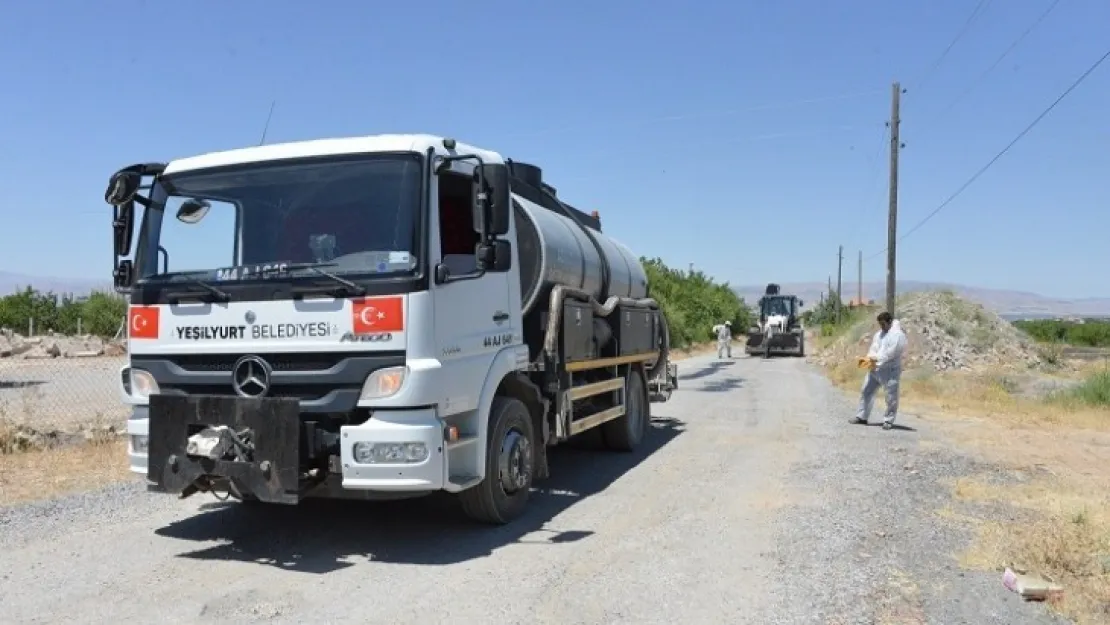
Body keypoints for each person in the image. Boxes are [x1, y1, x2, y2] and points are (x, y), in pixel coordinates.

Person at [852, 311, 907, 430]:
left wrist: (877, 358)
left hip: (889, 370)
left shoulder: (898, 335)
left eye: (883, 324)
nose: (882, 327)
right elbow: (874, 347)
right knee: (866, 391)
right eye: (880, 324)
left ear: (889, 322)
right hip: (875, 368)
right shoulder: (879, 334)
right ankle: (862, 416)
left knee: (891, 396)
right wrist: (869, 357)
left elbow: (891, 353)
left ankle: (888, 420)